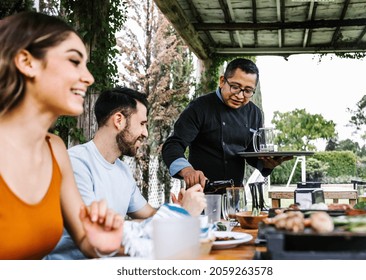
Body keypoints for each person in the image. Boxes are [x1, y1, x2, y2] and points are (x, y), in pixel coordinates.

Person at [0, 12, 123, 259]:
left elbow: (86, 241)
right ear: (27, 62)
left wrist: (102, 240)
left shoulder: (55, 150)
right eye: (74, 61)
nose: (89, 77)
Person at [45, 87, 206, 259]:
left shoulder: (122, 170)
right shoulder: (77, 163)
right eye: (142, 124)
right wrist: (180, 216)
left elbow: (149, 215)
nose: (146, 133)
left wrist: (177, 209)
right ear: (119, 120)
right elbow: (98, 234)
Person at [162, 58, 291, 193]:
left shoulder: (255, 113)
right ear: (222, 81)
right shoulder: (199, 107)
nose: (240, 95)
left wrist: (268, 164)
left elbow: (253, 154)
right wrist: (188, 171)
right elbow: (173, 145)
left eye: (247, 91)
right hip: (200, 193)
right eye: (235, 87)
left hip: (234, 193)